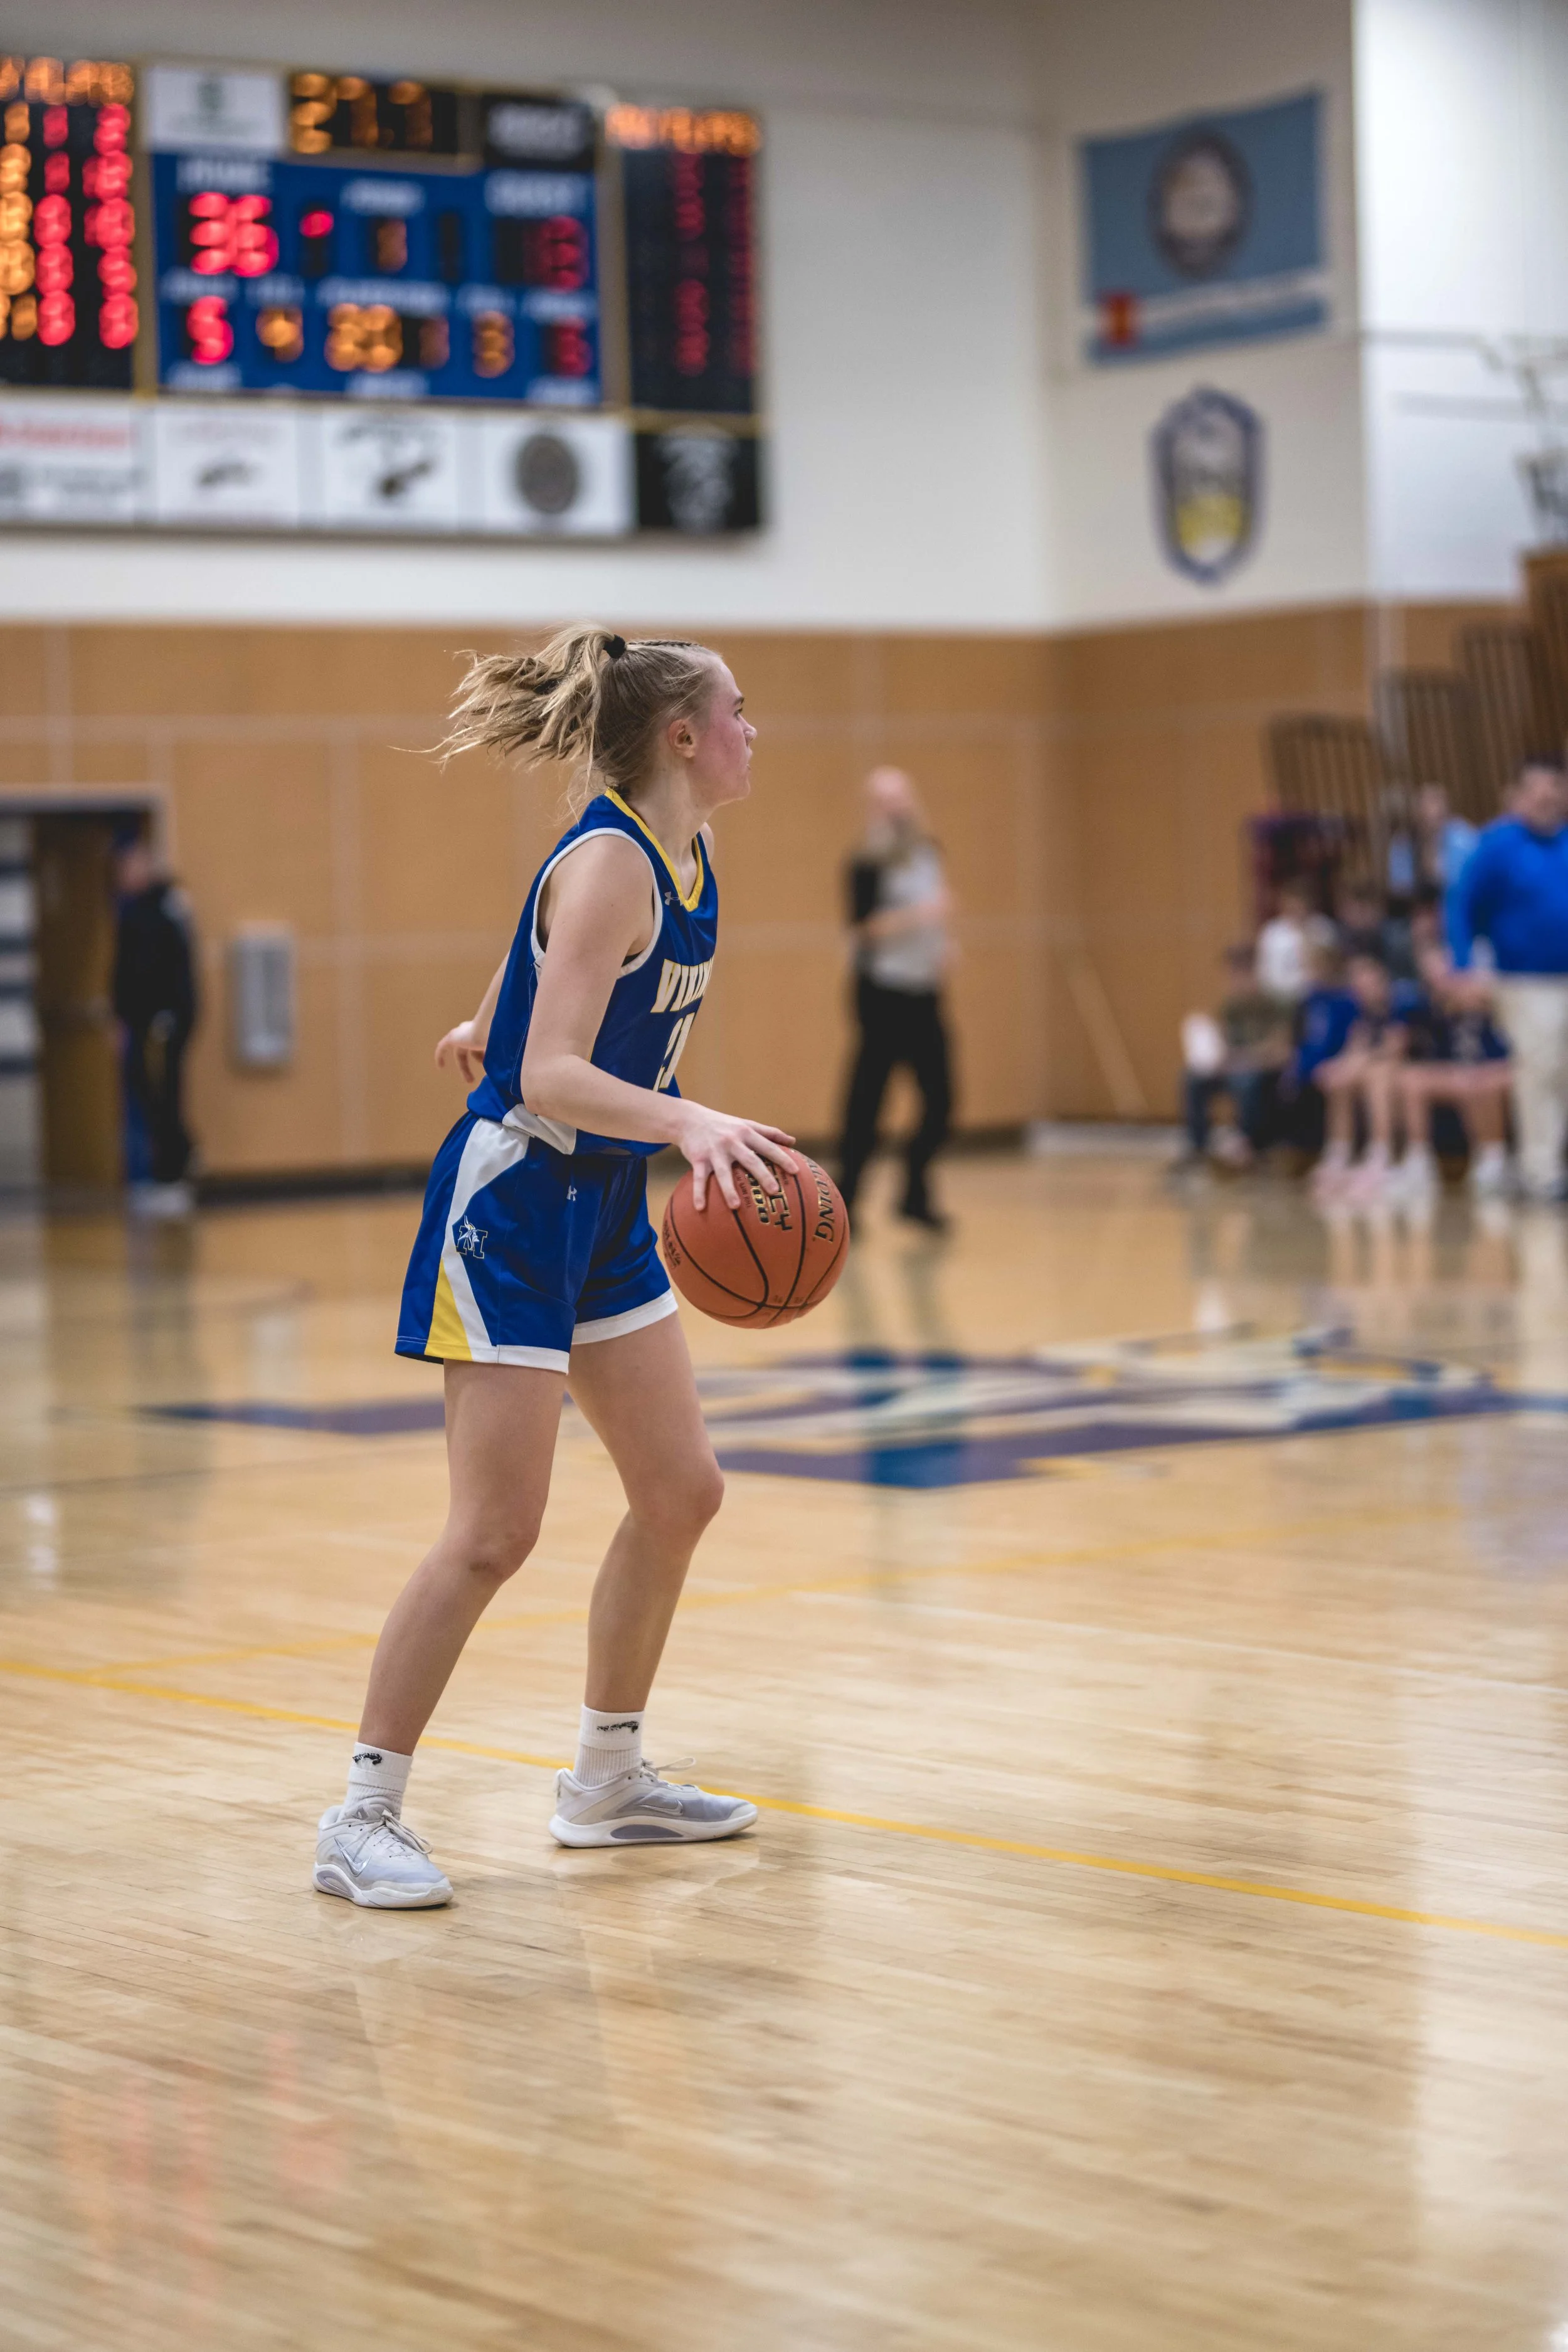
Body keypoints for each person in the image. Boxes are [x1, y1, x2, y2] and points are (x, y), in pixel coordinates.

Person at [314, 627, 796, 1909]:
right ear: (683, 737)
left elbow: (537, 964)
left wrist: (489, 1009)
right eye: (737, 711)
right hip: (514, 1202)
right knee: (492, 1532)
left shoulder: (681, 848)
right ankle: (360, 1817)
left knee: (680, 1488)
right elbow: (548, 1072)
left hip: (601, 1203)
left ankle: (606, 1779)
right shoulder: (609, 863)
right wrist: (689, 1120)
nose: (755, 729)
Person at [836, 766, 954, 1231]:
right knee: (868, 1100)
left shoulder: (929, 852)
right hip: (881, 994)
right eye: (884, 801)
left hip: (925, 991)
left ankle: (915, 1192)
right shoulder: (865, 862)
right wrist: (918, 916)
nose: (896, 808)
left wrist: (945, 943)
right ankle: (846, 1199)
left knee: (942, 1098)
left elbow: (938, 912)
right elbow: (862, 929)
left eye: (901, 798)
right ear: (873, 809)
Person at [1448, 757, 1568, 1201]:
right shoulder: (1498, 846)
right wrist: (1463, 966)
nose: (1546, 797)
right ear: (1519, 795)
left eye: (1554, 788)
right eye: (1536, 789)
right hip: (1525, 980)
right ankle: (1542, 1173)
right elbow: (1461, 905)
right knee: (1541, 1067)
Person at [112, 837, 198, 1217]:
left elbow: (175, 966)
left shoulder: (168, 906)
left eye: (133, 866)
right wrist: (121, 1016)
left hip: (166, 1016)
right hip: (141, 1019)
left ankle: (173, 1177)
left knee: (166, 1094)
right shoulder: (130, 912)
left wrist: (172, 1012)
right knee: (147, 1093)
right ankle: (173, 1166)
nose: (126, 875)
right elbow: (124, 972)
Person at [1385, 945, 1512, 1202]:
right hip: (1458, 1072)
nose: (1441, 982)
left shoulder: (1492, 1001)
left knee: (1482, 1080)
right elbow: (1423, 1052)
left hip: (1498, 1070)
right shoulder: (1430, 1009)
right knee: (1411, 1079)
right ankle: (1418, 1162)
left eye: (1445, 973)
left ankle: (1493, 1161)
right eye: (1433, 977)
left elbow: (1514, 1052)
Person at [1303, 952, 1417, 1200]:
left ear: (1381, 980)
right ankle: (1339, 1154)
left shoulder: (1399, 1007)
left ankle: (1381, 1155)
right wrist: (1339, 1068)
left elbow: (1394, 1049)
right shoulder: (1361, 1016)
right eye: (1356, 981)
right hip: (1372, 1070)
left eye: (1367, 979)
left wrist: (1357, 1064)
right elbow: (1354, 1050)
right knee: (1339, 1081)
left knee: (1377, 1075)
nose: (1361, 986)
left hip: (1402, 1073)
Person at [1175, 943, 1292, 1169]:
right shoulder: (1232, 1007)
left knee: (1246, 1082)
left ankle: (1250, 1145)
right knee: (1192, 1079)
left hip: (1263, 1071)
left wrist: (1246, 1059)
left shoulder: (1276, 1005)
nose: (1234, 980)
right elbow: (1226, 1043)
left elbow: (1281, 1051)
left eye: (1239, 973)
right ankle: (1198, 1146)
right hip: (1234, 1067)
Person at [1256, 879, 1335, 1004]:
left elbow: (1330, 968)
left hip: (1320, 997)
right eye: (1293, 903)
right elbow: (1267, 976)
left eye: (1301, 903)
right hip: (1283, 1000)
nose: (1297, 908)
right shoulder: (1273, 933)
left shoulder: (1323, 928)